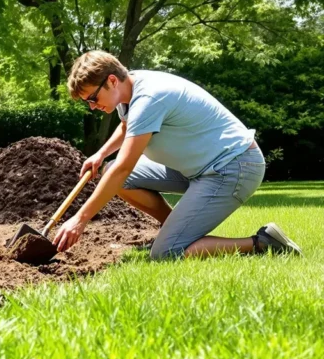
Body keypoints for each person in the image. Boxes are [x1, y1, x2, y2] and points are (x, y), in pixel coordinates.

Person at [53, 50, 302, 259]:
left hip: (232, 168)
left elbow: (124, 168)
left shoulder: (149, 97)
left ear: (112, 81)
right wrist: (101, 153)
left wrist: (80, 218)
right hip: (195, 167)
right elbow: (128, 124)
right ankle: (174, 230)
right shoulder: (129, 89)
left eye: (93, 98)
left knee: (166, 253)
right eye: (87, 102)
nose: (93, 107)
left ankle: (264, 242)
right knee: (109, 168)